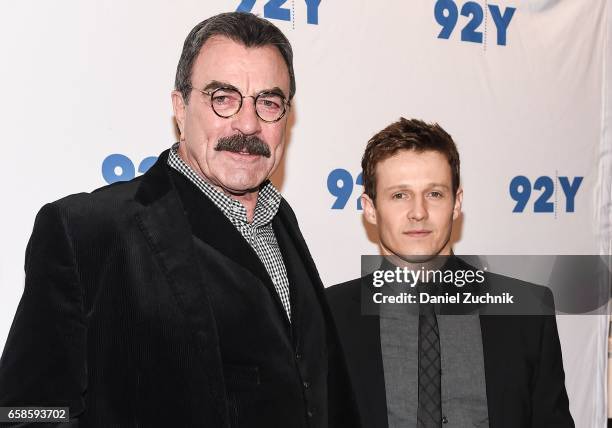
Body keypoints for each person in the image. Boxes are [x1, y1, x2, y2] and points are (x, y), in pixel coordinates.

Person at [0, 12, 358, 428]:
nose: (248, 123)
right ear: (180, 108)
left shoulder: (282, 221)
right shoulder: (88, 231)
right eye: (223, 98)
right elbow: (23, 412)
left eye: (269, 102)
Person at [326, 118, 574, 428]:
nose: (418, 212)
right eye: (399, 195)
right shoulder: (327, 317)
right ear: (371, 208)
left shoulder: (526, 311)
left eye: (434, 194)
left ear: (456, 204)